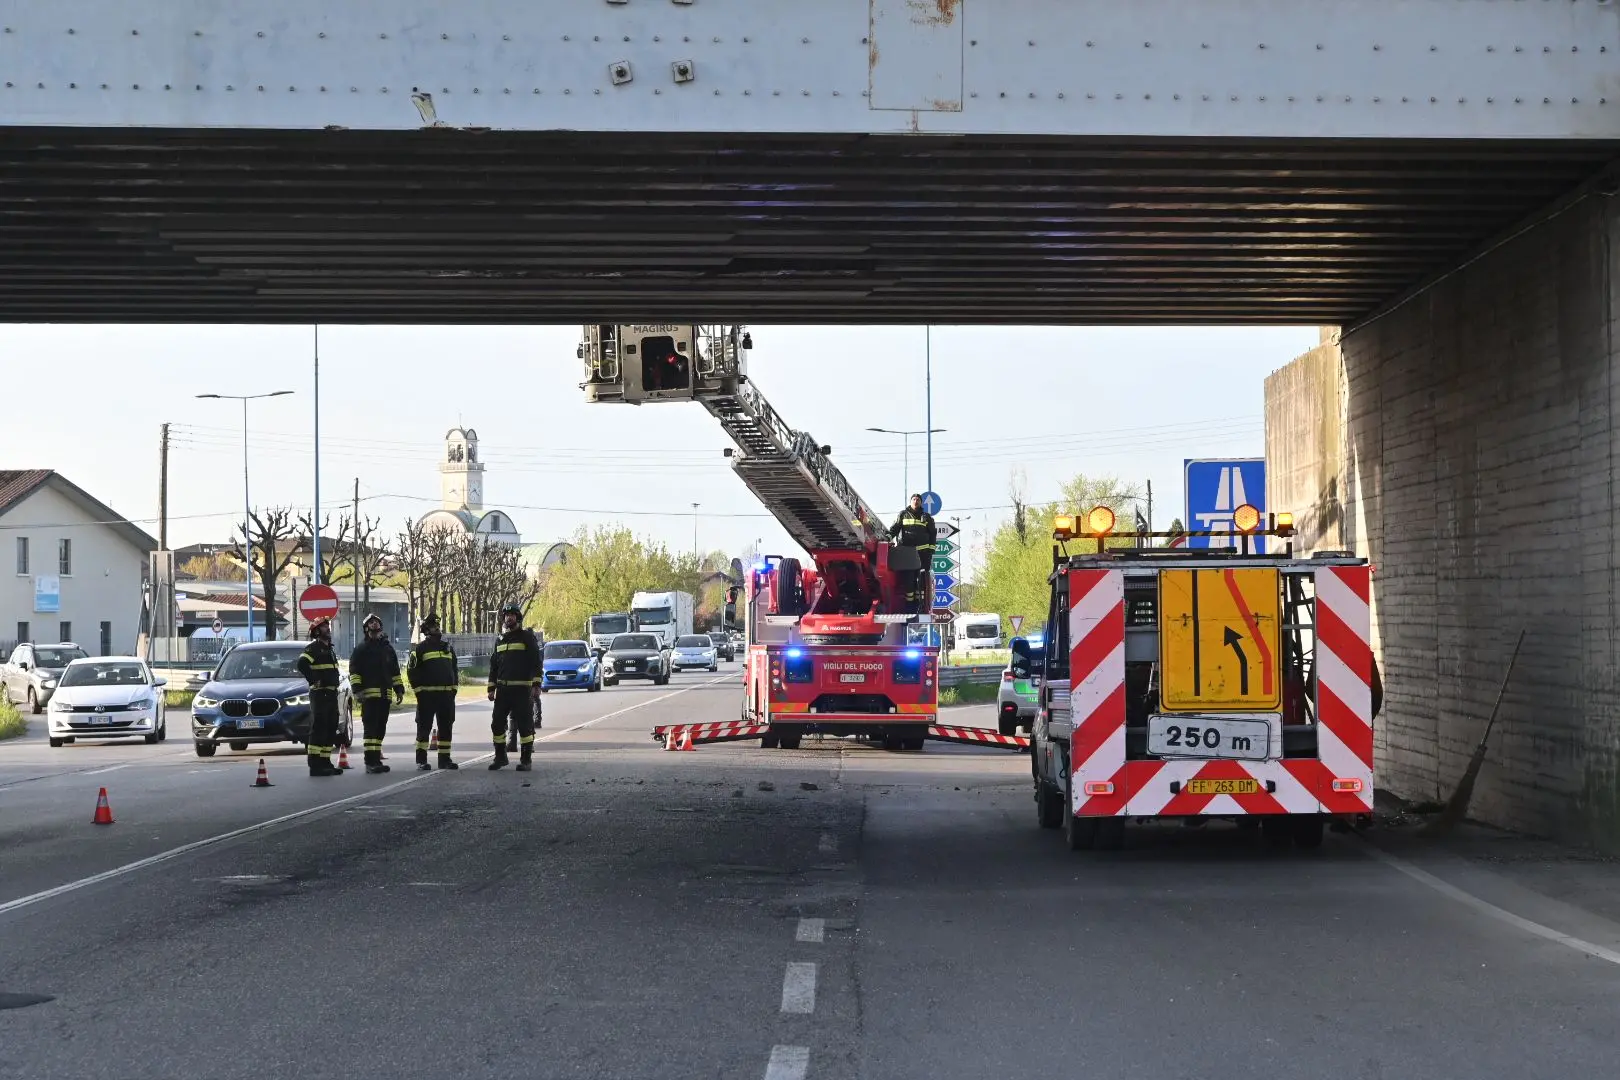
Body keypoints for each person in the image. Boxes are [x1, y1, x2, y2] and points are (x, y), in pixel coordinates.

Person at [488, 603, 542, 771]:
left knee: (525, 725)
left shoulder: (526, 637)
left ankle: (526, 760)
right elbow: (494, 666)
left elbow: (536, 661)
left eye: (511, 615)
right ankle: (500, 757)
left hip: (521, 690)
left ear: (518, 617)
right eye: (506, 615)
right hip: (503, 691)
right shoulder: (500, 639)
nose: (508, 617)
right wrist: (491, 687)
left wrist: (536, 684)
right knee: (497, 724)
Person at [349, 612, 404, 774]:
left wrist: (399, 689)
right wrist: (357, 691)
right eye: (371, 623)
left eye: (376, 622)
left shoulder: (387, 649)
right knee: (370, 729)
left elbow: (395, 672)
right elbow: (354, 671)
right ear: (366, 628)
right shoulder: (361, 649)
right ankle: (370, 761)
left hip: (385, 696)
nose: (374, 624)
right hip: (369, 697)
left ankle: (376, 760)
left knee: (380, 729)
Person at [407, 612, 459, 771]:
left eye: (437, 625)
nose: (437, 627)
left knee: (446, 728)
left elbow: (454, 670)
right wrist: (419, 692)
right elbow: (412, 671)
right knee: (424, 728)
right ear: (426, 630)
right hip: (427, 697)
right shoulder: (420, 649)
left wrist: (453, 689)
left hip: (446, 696)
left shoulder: (447, 648)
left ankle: (445, 760)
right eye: (433, 626)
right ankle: (421, 760)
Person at [296, 617, 345, 778]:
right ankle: (315, 765)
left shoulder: (329, 649)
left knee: (331, 727)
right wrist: (314, 679)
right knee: (319, 728)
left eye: (327, 626)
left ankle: (325, 762)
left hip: (330, 693)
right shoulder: (313, 648)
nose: (328, 628)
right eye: (324, 627)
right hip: (320, 693)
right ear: (317, 631)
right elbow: (302, 664)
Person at [888, 493, 937, 613]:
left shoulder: (927, 517)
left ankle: (919, 605)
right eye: (914, 499)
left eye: (918, 500)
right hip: (907, 554)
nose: (916, 501)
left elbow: (932, 534)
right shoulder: (903, 515)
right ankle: (909, 605)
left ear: (921, 503)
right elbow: (895, 528)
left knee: (920, 580)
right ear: (910, 502)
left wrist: (931, 550)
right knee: (909, 579)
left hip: (923, 554)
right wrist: (888, 536)